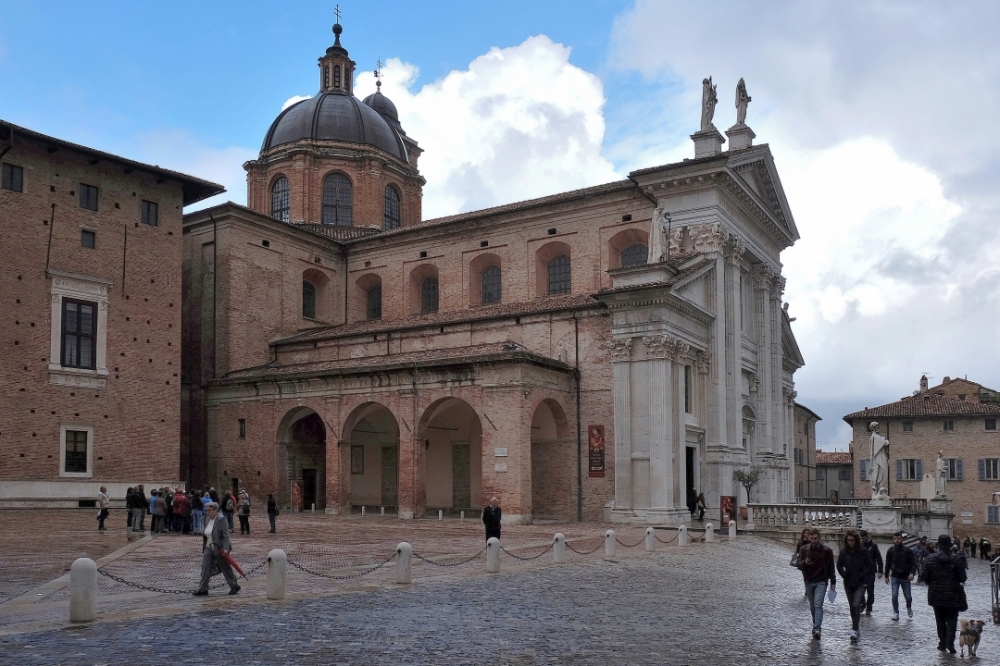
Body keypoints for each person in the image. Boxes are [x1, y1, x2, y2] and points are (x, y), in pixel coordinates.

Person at [922, 534, 967, 653]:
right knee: (952, 620)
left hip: (936, 594)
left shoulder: (930, 558)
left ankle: (942, 643)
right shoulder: (956, 559)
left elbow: (924, 577)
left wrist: (932, 582)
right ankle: (950, 644)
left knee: (940, 620)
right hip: (953, 594)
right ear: (949, 545)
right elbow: (963, 578)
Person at [796, 527, 836, 640]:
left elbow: (831, 567)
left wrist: (833, 582)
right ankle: (815, 624)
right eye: (811, 538)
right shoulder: (804, 549)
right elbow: (798, 564)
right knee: (812, 605)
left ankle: (817, 627)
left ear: (819, 537)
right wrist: (804, 562)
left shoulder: (827, 551)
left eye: (815, 538)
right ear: (809, 538)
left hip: (821, 581)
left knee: (818, 604)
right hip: (809, 580)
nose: (813, 540)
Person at [193, 502, 240, 597]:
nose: (208, 512)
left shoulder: (221, 519)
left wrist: (226, 548)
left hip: (220, 547)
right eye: (207, 510)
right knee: (205, 566)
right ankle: (203, 589)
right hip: (208, 546)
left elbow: (226, 535)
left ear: (216, 510)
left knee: (225, 567)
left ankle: (234, 586)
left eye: (210, 510)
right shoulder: (206, 519)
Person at [836, 528, 873, 644]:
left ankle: (855, 628)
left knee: (856, 604)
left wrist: (864, 578)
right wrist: (844, 574)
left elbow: (869, 566)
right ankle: (855, 626)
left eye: (852, 540)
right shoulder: (844, 552)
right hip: (848, 582)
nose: (850, 542)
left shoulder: (863, 551)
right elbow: (839, 565)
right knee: (852, 606)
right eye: (848, 540)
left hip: (860, 583)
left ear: (856, 541)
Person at [884, 531, 917, 621]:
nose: (897, 540)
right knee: (894, 595)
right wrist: (886, 576)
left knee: (908, 597)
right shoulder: (890, 550)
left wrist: (912, 573)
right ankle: (896, 612)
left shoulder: (908, 550)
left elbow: (913, 563)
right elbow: (888, 564)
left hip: (905, 576)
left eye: (898, 539)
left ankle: (909, 607)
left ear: (901, 539)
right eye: (895, 539)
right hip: (895, 576)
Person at [859, 529, 883, 615]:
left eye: (863, 538)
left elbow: (879, 558)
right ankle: (862, 604)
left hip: (870, 571)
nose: (862, 540)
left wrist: (880, 570)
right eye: (861, 538)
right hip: (860, 572)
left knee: (870, 590)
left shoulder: (873, 546)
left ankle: (869, 607)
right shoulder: (859, 546)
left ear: (867, 537)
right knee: (860, 590)